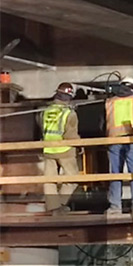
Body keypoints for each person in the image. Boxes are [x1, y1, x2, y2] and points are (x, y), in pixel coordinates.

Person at [103, 76, 133, 215]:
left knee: (115, 173)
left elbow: (102, 122)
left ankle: (115, 207)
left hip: (114, 140)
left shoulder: (109, 102)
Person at [40, 82, 80, 215]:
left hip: (48, 149)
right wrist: (80, 144)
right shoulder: (70, 113)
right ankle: (61, 204)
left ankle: (53, 208)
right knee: (73, 178)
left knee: (49, 180)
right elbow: (71, 135)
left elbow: (41, 129)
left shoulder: (44, 112)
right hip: (65, 150)